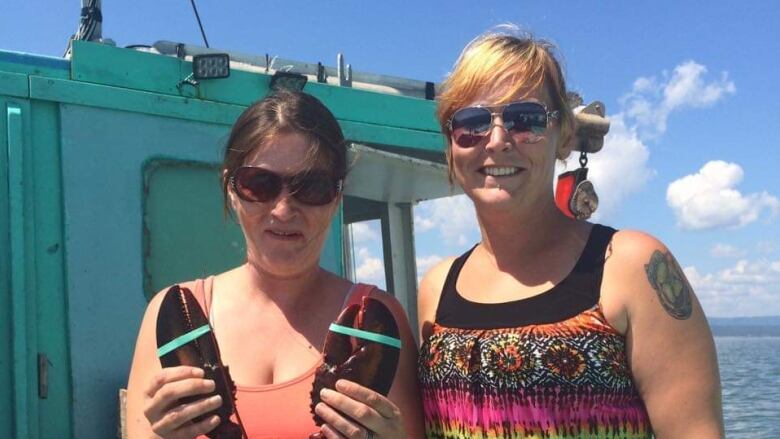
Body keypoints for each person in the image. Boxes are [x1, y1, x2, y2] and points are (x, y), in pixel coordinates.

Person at [416, 28, 724, 438]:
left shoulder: (631, 267)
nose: (497, 140)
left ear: (562, 136)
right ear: (451, 145)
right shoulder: (436, 289)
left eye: (524, 120)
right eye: (471, 122)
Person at [127, 89, 424, 439]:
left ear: (336, 197)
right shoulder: (169, 314)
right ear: (231, 190)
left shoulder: (374, 322)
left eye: (311, 186)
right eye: (260, 184)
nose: (283, 210)